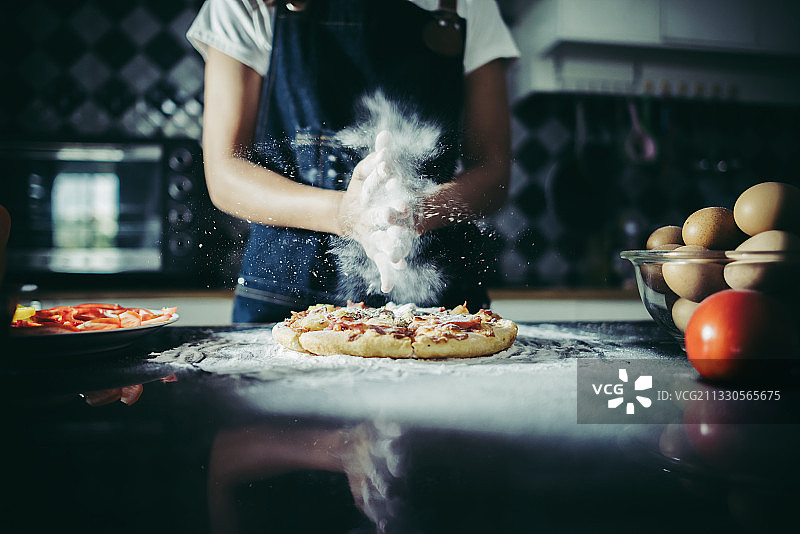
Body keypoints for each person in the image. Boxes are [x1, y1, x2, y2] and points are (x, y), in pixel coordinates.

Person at [187, 0, 519, 322]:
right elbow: (225, 172)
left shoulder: (468, 3)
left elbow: (493, 173)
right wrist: (345, 215)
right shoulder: (247, 3)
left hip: (437, 308)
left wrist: (411, 213)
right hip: (284, 298)